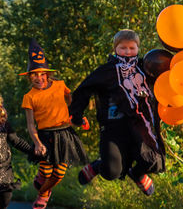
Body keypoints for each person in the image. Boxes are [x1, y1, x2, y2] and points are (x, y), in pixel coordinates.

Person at [69, 29, 166, 195]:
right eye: (123, 48)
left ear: (138, 48)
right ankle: (99, 166)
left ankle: (136, 174)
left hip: (139, 126)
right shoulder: (108, 70)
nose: (127, 52)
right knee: (112, 171)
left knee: (153, 161)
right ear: (115, 49)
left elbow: (166, 80)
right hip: (114, 128)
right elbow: (85, 89)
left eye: (132, 48)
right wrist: (76, 115)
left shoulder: (145, 67)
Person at [20, 39, 88, 209]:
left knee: (59, 174)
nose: (39, 78)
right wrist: (37, 143)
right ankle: (42, 185)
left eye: (42, 74)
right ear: (29, 77)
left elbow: (72, 100)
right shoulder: (29, 96)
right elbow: (30, 124)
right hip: (45, 136)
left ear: (47, 74)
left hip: (65, 133)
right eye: (34, 74)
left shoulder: (60, 85)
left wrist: (77, 117)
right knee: (48, 172)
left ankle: (43, 192)